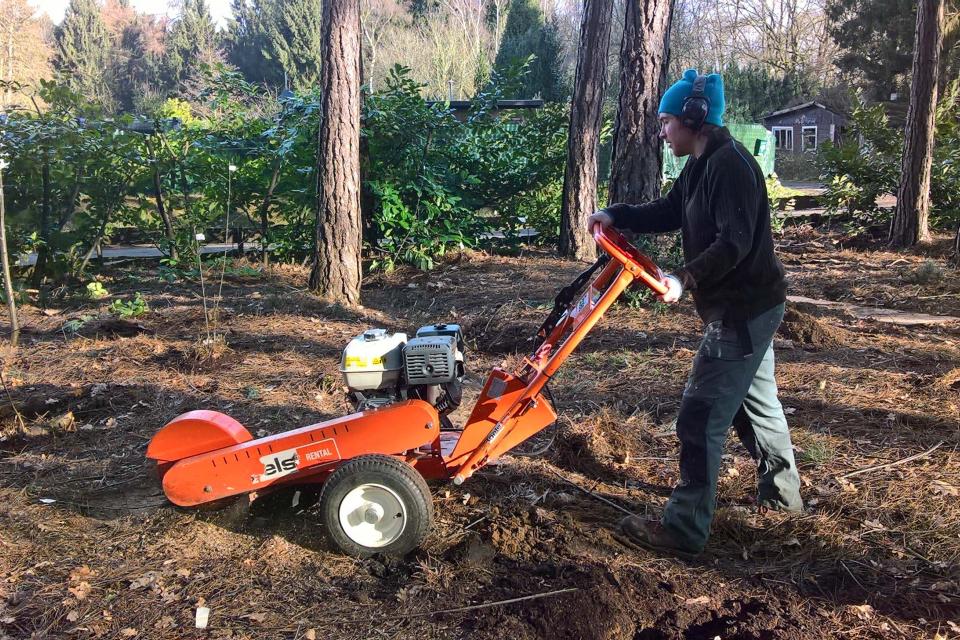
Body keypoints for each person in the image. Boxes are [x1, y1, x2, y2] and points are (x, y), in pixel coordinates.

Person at [587, 69, 803, 557]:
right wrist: (617, 215)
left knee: (700, 415)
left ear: (694, 118)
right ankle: (784, 503)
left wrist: (684, 279)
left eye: (666, 121)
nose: (662, 131)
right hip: (746, 308)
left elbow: (735, 242)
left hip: (741, 311)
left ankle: (684, 529)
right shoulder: (702, 164)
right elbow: (671, 209)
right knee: (758, 409)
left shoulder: (730, 166)